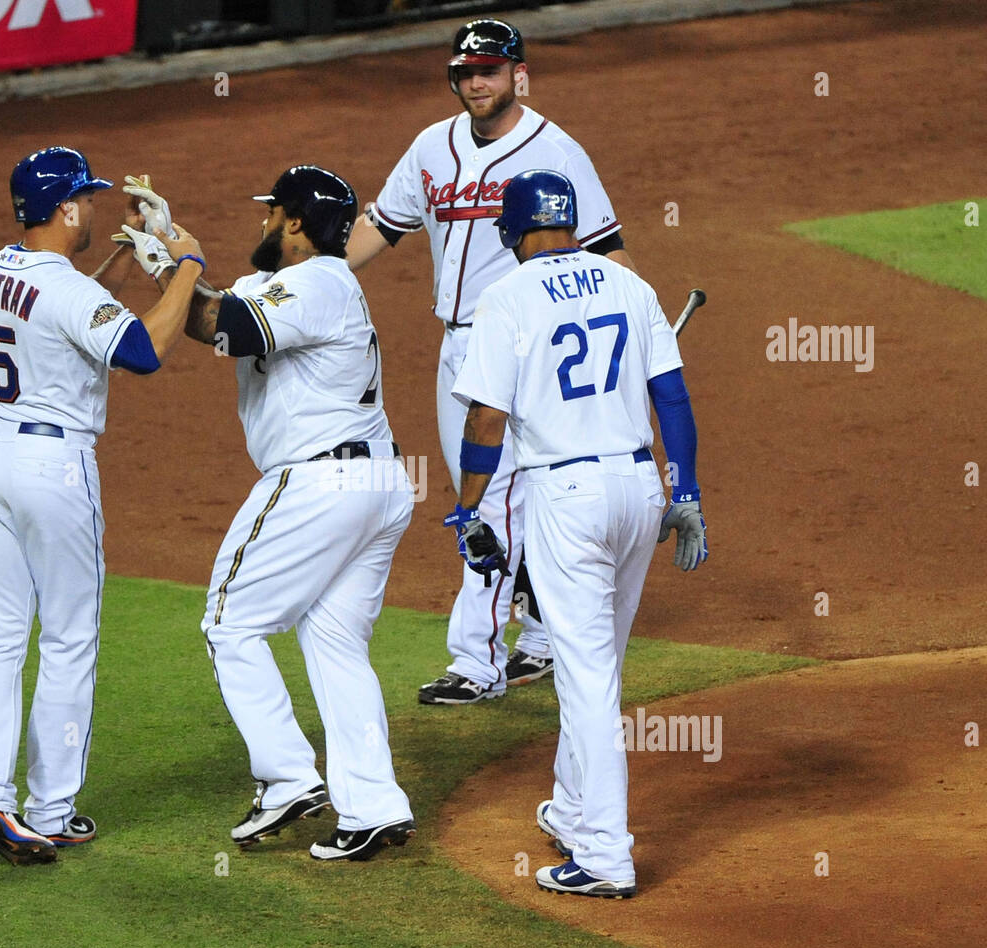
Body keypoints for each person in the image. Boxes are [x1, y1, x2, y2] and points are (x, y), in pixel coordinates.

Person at [347, 18, 641, 705]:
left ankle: (475, 661)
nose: (476, 82)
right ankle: (538, 637)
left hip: (529, 345)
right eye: (465, 72)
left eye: (489, 70)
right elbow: (381, 228)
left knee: (489, 502)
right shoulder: (431, 146)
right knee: (515, 498)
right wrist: (308, 275)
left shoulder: (557, 149)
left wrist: (634, 329)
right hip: (461, 346)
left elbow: (608, 248)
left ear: (518, 75)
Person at [138, 165, 417, 861]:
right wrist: (167, 259)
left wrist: (182, 265)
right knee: (334, 646)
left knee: (229, 623)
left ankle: (288, 778)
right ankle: (373, 806)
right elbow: (215, 316)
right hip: (372, 483)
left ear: (294, 221)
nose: (261, 223)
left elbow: (227, 324)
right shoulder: (292, 287)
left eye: (270, 213)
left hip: (321, 483)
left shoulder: (321, 280)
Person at [447, 170, 708, 898]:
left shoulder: (504, 297)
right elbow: (673, 396)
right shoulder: (629, 282)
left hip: (567, 498)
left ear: (513, 231)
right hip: (637, 487)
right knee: (597, 664)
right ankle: (572, 807)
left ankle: (602, 855)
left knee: (586, 674)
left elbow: (485, 421)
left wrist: (469, 509)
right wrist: (683, 488)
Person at [0, 147, 207, 866]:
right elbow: (144, 350)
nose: (96, 208)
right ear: (67, 209)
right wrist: (186, 261)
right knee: (68, 638)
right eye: (89, 200)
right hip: (50, 469)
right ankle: (53, 811)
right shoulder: (65, 291)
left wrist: (126, 255)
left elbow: (62, 311)